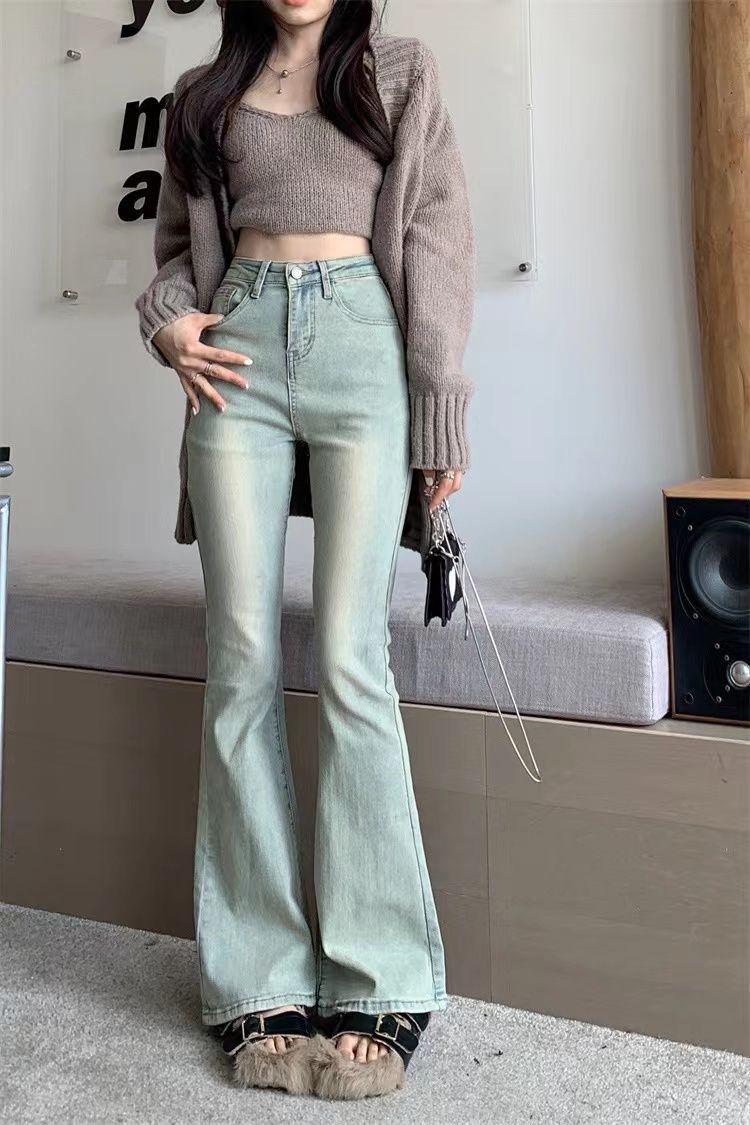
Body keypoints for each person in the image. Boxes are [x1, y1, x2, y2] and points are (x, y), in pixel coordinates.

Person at [134, 0, 475, 1101]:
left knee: (348, 656)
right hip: (238, 352)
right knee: (237, 658)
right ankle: (259, 976)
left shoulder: (399, 71)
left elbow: (434, 236)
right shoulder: (203, 96)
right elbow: (177, 254)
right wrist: (167, 321)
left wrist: (440, 413)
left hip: (362, 345)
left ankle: (380, 975)